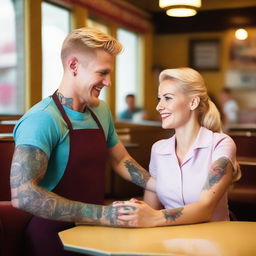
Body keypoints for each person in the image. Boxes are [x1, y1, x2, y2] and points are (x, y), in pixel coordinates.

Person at [10, 27, 154, 256]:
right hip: (51, 240)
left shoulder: (100, 111)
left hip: (94, 234)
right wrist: (104, 214)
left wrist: (158, 185)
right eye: (102, 73)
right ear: (74, 66)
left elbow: (120, 159)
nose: (108, 82)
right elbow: (24, 196)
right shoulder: (42, 119)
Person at [114, 67, 241, 227]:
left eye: (167, 98)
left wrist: (153, 217)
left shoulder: (221, 144)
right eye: (159, 98)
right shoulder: (158, 149)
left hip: (213, 244)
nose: (158, 106)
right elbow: (151, 209)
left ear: (193, 102)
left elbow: (205, 208)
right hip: (170, 243)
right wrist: (137, 210)